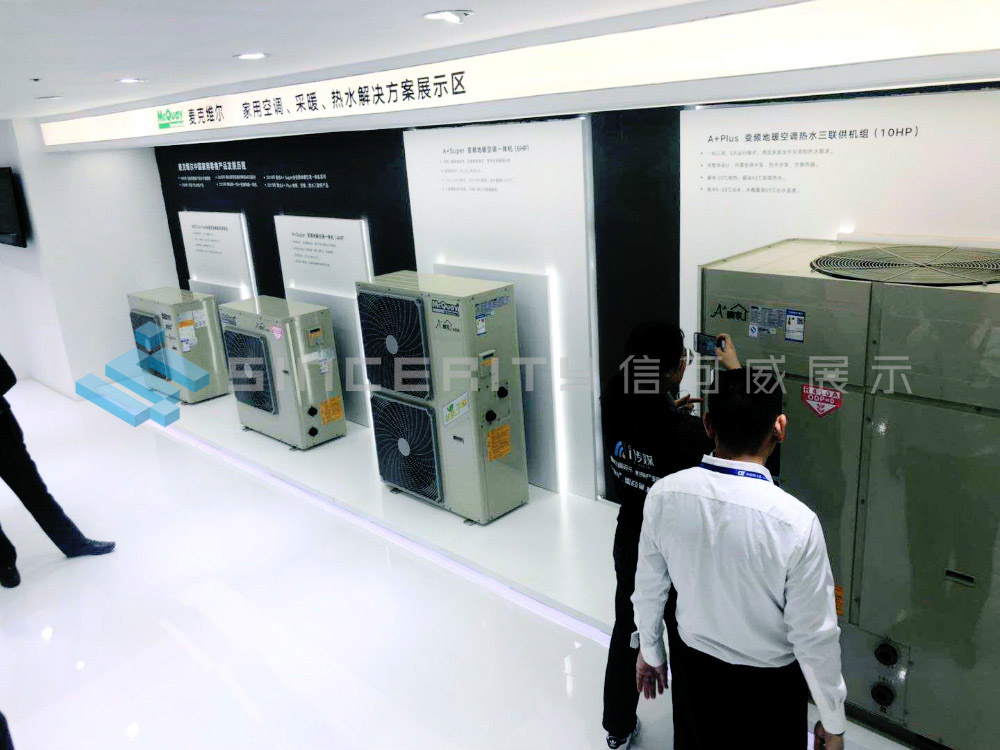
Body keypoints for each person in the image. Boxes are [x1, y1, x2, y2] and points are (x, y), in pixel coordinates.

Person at [632, 367, 847, 749]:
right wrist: (833, 722)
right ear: (779, 427)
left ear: (707, 424)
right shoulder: (797, 524)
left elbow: (649, 590)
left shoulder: (665, 496)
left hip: (694, 673)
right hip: (770, 690)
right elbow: (815, 637)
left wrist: (651, 652)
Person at [600, 323, 740, 749]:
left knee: (628, 627)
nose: (685, 363)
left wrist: (667, 406)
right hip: (678, 548)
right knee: (685, 645)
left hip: (631, 534)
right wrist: (734, 370)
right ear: (672, 369)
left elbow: (644, 429)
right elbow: (744, 438)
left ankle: (617, 726)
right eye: (683, 358)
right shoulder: (687, 435)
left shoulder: (617, 394)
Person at [0, 351, 115, 589]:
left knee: (35, 492)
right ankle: (4, 564)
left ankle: (74, 543)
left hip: (1, 434)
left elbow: (5, 377)